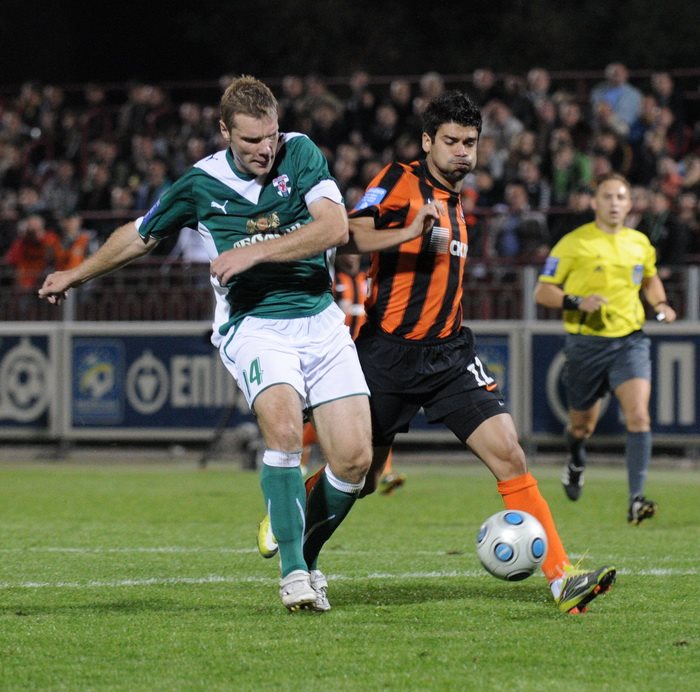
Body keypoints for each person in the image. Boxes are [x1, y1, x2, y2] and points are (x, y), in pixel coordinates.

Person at [265, 90, 617, 615]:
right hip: (388, 353)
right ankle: (299, 541)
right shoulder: (400, 180)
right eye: (451, 141)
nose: (461, 152)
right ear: (427, 141)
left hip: (450, 354)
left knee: (510, 453)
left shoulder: (456, 200)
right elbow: (348, 234)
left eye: (469, 143)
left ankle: (562, 580)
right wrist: (408, 231)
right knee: (361, 476)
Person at [38, 75, 373, 614]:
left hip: (320, 319)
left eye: (270, 135)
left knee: (355, 461)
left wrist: (254, 252)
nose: (265, 148)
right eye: (251, 140)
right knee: (285, 432)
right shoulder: (200, 184)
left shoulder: (300, 152)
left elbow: (334, 228)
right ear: (224, 132)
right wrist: (76, 274)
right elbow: (141, 235)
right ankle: (293, 574)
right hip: (255, 324)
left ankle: (306, 553)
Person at [534, 172, 677, 525]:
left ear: (629, 204)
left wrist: (660, 303)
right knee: (582, 427)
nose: (614, 203)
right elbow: (543, 291)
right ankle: (576, 457)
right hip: (586, 344)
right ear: (595, 202)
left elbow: (649, 278)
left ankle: (636, 499)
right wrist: (577, 301)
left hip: (630, 340)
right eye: (607, 196)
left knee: (639, 415)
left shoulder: (639, 243)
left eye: (621, 197)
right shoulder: (574, 243)